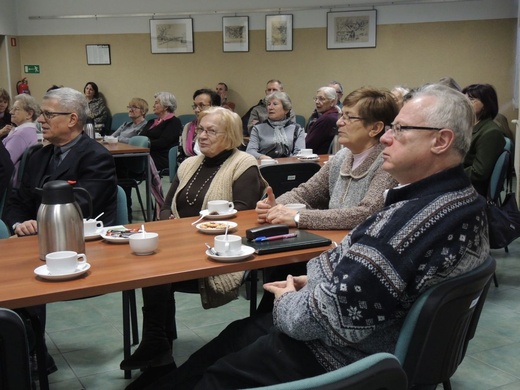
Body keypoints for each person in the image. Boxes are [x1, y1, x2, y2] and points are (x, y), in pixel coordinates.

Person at [139, 83, 489, 390]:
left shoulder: (409, 224)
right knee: (235, 338)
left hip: (339, 357)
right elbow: (366, 282)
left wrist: (288, 299)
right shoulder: (460, 202)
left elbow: (329, 317)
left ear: (441, 141)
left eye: (401, 129)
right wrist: (312, 279)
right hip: (354, 326)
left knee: (221, 369)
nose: (386, 137)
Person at [121, 107, 267, 389]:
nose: (202, 135)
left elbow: (242, 218)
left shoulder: (244, 164)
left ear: (232, 135)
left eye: (212, 131)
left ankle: (156, 350)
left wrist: (186, 234)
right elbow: (165, 207)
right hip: (180, 248)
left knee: (154, 268)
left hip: (218, 252)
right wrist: (170, 227)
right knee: (145, 262)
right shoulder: (190, 163)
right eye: (200, 129)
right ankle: (158, 352)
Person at [3, 87, 118, 377]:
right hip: (32, 240)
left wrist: (35, 224)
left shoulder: (96, 157)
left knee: (18, 284)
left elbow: (80, 208)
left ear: (72, 119)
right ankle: (29, 352)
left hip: (79, 247)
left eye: (48, 114)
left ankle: (29, 355)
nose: (40, 119)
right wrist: (19, 224)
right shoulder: (36, 155)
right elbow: (15, 200)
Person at [257, 87, 399, 231]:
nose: (339, 123)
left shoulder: (388, 162)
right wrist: (274, 205)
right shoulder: (341, 157)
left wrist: (298, 217)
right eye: (342, 115)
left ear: (375, 128)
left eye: (349, 117)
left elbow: (366, 214)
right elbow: (306, 194)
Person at [461, 83, 505, 196]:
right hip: (464, 181)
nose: (466, 103)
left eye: (471, 99)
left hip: (472, 190)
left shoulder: (491, 132)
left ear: (486, 104)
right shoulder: (471, 125)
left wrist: (449, 174)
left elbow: (478, 173)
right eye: (464, 99)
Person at [246, 91, 304, 160]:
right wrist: (262, 157)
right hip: (266, 166)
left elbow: (300, 152)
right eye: (269, 104)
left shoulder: (297, 129)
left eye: (275, 104)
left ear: (286, 110)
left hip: (290, 167)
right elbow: (250, 151)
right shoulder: (258, 128)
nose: (270, 107)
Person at [1, 94, 39, 187]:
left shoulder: (21, 134)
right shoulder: (31, 131)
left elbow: (4, 163)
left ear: (29, 114)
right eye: (12, 108)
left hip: (8, 188)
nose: (11, 112)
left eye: (16, 109)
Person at [140, 92, 182, 171]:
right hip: (147, 152)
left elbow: (163, 142)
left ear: (166, 106)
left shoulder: (174, 121)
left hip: (161, 157)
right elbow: (140, 137)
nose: (153, 105)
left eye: (156, 103)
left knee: (126, 160)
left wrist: (145, 143)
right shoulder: (151, 121)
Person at [178, 88, 221, 163]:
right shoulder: (188, 128)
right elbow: (180, 155)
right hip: (189, 166)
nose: (196, 110)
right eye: (195, 106)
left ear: (215, 107)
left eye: (202, 105)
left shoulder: (222, 128)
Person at [305, 86, 340, 154]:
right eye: (316, 98)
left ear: (332, 102)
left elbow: (308, 145)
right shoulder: (334, 114)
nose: (317, 102)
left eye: (321, 99)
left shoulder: (327, 119)